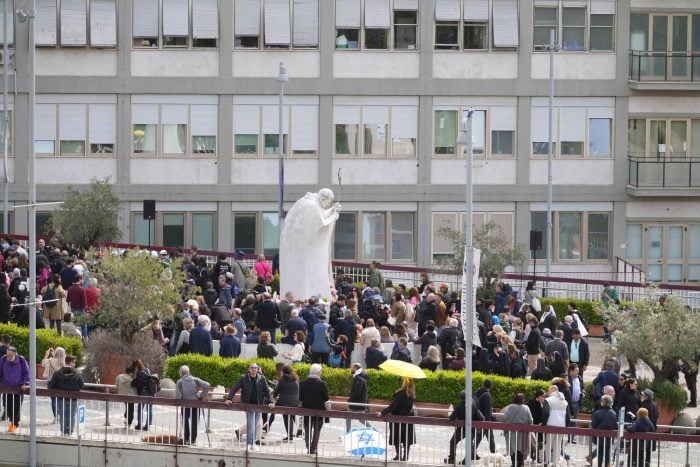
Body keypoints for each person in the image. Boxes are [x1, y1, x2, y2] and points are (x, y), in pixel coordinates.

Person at [279, 189, 340, 300]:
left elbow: (320, 215)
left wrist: (332, 210)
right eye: (327, 203)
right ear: (323, 198)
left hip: (298, 249)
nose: (326, 206)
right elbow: (321, 221)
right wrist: (334, 215)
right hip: (298, 252)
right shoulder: (311, 205)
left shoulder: (309, 202)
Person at [225, 362, 273, 450]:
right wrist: (229, 398)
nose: (254, 369)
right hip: (248, 405)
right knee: (250, 425)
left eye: (256, 368)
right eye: (252, 368)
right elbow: (235, 387)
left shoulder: (262, 378)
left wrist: (270, 401)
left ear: (258, 369)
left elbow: (267, 391)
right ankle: (250, 444)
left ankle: (252, 443)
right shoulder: (244, 378)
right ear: (249, 369)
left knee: (255, 425)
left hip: (259, 405)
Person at [378, 377, 416, 461]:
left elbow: (394, 405)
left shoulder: (401, 393)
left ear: (404, 383)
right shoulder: (412, 394)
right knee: (407, 439)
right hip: (408, 419)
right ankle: (405, 456)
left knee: (397, 437)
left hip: (397, 419)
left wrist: (382, 412)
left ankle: (398, 455)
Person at [445, 389, 484, 464]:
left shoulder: (459, 406)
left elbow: (452, 418)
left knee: (453, 441)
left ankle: (452, 459)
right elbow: (480, 418)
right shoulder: (473, 405)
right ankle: (466, 460)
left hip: (461, 429)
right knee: (470, 444)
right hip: (471, 429)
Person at [47, 355, 83, 435]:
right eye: (74, 362)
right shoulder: (77, 374)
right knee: (72, 415)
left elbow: (51, 386)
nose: (75, 364)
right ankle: (70, 432)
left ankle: (63, 432)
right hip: (73, 399)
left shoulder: (58, 373)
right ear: (70, 362)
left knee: (62, 415)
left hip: (60, 398)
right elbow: (81, 385)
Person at [175, 365, 210, 445]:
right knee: (194, 422)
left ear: (181, 373)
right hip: (195, 404)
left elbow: (178, 396)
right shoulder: (195, 380)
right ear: (188, 372)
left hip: (185, 405)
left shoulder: (179, 382)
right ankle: (193, 440)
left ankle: (186, 438)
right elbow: (207, 385)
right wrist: (200, 395)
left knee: (185, 422)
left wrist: (182, 398)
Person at [299, 364, 329, 455]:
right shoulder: (322, 383)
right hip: (319, 411)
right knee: (317, 431)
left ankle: (308, 448)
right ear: (318, 372)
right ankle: (313, 448)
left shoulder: (302, 383)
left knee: (307, 430)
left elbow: (301, 397)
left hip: (306, 409)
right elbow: (326, 398)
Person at [0, 346, 29, 432]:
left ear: (15, 354)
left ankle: (14, 424)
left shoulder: (21, 359)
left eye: (10, 355)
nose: (8, 356)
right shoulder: (3, 359)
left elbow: (26, 372)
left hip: (18, 388)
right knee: (6, 405)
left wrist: (25, 383)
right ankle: (12, 422)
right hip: (6, 387)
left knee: (16, 407)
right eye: (7, 354)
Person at [502, 393, 533, 467]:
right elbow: (530, 420)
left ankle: (513, 463)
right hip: (523, 433)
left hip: (512, 432)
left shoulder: (511, 407)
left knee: (512, 448)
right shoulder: (526, 408)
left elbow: (506, 416)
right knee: (521, 448)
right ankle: (520, 463)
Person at [588, 394, 618, 467]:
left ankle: (599, 465)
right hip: (609, 437)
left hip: (599, 437)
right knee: (607, 452)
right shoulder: (614, 413)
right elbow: (615, 426)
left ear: (602, 402)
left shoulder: (597, 413)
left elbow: (593, 425)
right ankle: (607, 465)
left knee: (600, 452)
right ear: (611, 402)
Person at [543, 385, 569, 467]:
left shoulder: (548, 400)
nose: (548, 392)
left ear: (553, 390)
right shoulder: (565, 402)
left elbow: (546, 413)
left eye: (549, 390)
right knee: (557, 446)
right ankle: (555, 463)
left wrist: (543, 424)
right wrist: (565, 426)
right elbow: (568, 417)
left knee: (548, 445)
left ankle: (546, 462)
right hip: (561, 427)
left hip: (550, 426)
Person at [273, 365, 300, 442]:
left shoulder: (282, 380)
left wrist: (274, 396)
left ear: (283, 372)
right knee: (291, 417)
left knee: (286, 418)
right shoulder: (296, 379)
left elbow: (277, 391)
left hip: (285, 402)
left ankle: (290, 435)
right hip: (295, 402)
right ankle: (293, 433)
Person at [41, 346, 66, 421]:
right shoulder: (62, 363)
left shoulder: (50, 360)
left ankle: (56, 417)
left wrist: (46, 355)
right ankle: (61, 416)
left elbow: (43, 364)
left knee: (53, 400)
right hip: (61, 382)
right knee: (61, 399)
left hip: (51, 381)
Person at [130, 359, 155, 430]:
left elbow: (138, 384)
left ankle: (139, 424)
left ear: (136, 366)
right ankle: (148, 425)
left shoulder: (139, 373)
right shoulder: (148, 370)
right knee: (149, 409)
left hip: (143, 393)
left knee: (140, 408)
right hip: (151, 392)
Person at [474, 379, 496, 457]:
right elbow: (487, 410)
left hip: (478, 418)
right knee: (491, 438)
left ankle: (473, 452)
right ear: (490, 386)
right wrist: (488, 422)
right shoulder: (487, 396)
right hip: (485, 420)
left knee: (478, 437)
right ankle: (494, 454)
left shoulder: (477, 392)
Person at [346, 363, 371, 433]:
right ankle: (348, 432)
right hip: (357, 404)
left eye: (352, 368)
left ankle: (374, 430)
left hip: (357, 405)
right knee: (349, 417)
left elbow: (357, 392)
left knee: (360, 419)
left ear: (355, 369)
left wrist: (350, 399)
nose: (351, 369)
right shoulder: (359, 377)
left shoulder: (358, 379)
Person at [115, 364, 136, 429]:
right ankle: (128, 423)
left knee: (128, 407)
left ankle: (126, 418)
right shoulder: (132, 380)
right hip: (131, 396)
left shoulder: (119, 376)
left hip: (122, 395)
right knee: (131, 409)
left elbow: (116, 385)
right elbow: (135, 388)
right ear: (131, 372)